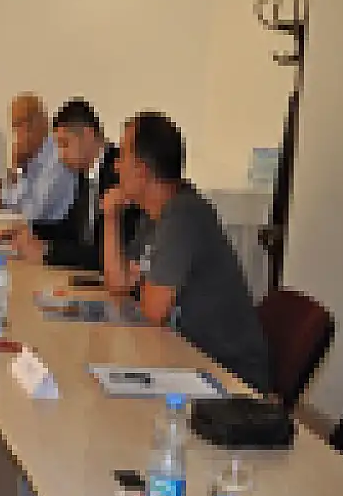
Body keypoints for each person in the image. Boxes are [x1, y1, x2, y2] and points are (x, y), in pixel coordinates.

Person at [103, 112, 272, 393]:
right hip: (185, 357)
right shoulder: (154, 215)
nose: (116, 166)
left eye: (122, 156)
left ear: (142, 170)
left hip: (228, 375)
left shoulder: (183, 213)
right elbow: (119, 284)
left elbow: (153, 311)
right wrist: (111, 217)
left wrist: (141, 284)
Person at [7, 98, 139, 270]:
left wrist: (49, 252)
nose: (61, 155)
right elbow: (73, 232)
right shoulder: (85, 174)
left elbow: (109, 252)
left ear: (88, 135)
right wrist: (30, 233)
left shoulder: (120, 173)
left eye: (65, 144)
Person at [1, 92, 75, 222]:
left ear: (43, 121)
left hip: (54, 232)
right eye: (16, 125)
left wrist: (18, 172)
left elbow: (34, 213)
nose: (19, 132)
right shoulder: (31, 158)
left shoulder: (59, 157)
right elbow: (9, 202)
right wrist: (17, 171)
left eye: (24, 122)